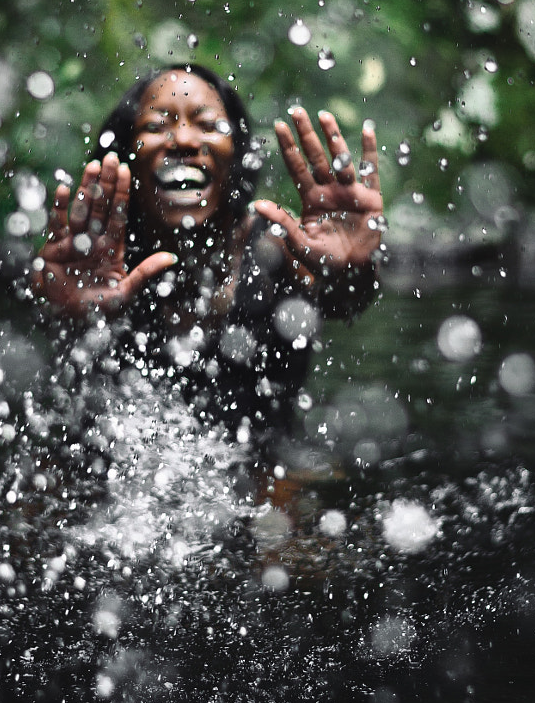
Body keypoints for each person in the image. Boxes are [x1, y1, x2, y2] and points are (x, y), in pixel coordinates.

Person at [32, 64, 384, 435]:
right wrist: (68, 317)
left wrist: (352, 272)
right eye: (155, 127)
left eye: (208, 124)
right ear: (127, 157)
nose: (182, 140)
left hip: (266, 476)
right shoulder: (91, 261)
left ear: (236, 156)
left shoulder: (276, 249)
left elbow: (342, 302)